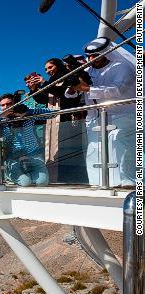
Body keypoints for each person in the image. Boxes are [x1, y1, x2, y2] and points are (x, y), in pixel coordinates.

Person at [65, 37, 136, 187]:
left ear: (106, 53)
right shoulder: (86, 70)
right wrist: (74, 87)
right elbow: (69, 94)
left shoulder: (121, 66)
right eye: (89, 56)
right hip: (95, 118)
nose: (91, 59)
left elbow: (117, 89)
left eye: (95, 55)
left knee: (120, 146)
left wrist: (87, 89)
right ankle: (97, 183)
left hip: (122, 115)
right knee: (94, 151)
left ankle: (127, 182)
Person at [28, 58, 88, 184]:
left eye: (50, 67)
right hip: (52, 120)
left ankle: (73, 178)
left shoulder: (67, 76)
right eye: (46, 69)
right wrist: (34, 89)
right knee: (52, 149)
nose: (48, 71)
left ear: (58, 65)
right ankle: (56, 178)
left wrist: (44, 83)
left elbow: (63, 93)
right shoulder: (51, 81)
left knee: (67, 149)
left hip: (66, 118)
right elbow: (44, 99)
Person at [0, 94, 52, 186]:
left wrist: (27, 113)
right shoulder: (0, 116)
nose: (6, 107)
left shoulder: (27, 113)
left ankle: (28, 176)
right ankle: (8, 175)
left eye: (9, 104)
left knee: (42, 182)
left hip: (33, 155)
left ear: (15, 104)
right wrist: (0, 116)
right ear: (0, 107)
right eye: (3, 105)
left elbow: (53, 113)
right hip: (13, 158)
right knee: (25, 182)